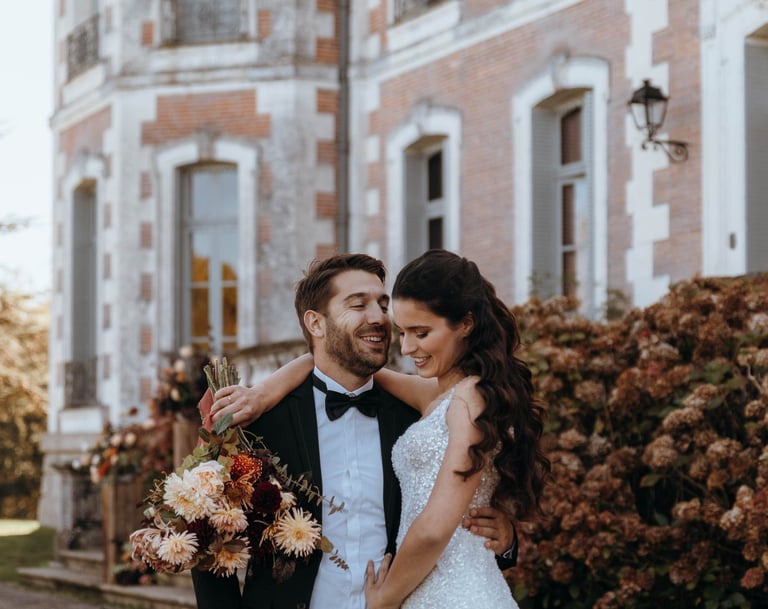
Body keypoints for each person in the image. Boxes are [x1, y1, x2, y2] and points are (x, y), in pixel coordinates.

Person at [191, 253, 517, 609]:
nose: (378, 317)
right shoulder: (258, 421)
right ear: (316, 323)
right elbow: (208, 537)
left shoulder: (419, 414)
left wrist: (506, 537)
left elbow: (448, 519)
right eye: (358, 305)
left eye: (382, 303)